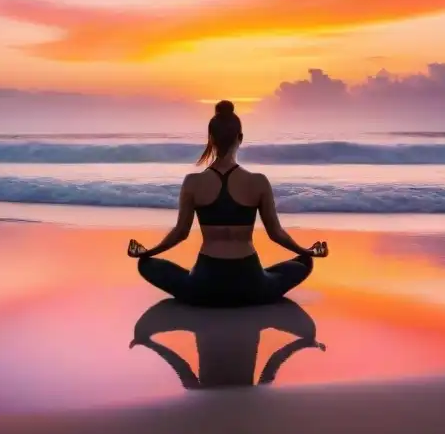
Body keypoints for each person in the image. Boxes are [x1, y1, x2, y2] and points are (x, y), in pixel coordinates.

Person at [128, 100, 328, 307]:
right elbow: (275, 233)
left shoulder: (193, 182)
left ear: (211, 139)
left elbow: (180, 233)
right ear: (240, 138)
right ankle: (271, 276)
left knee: (146, 265)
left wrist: (148, 252)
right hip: (251, 285)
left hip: (205, 286)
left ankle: (189, 283)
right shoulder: (258, 181)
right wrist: (306, 251)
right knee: (303, 262)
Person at [130, 297, 325, 389]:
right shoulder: (256, 314)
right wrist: (304, 342)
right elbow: (272, 366)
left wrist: (149, 342)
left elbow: (182, 367)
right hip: (242, 393)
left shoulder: (199, 317)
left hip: (220, 393)